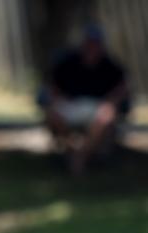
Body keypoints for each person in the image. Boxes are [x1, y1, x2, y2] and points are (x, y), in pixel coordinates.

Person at [39, 25, 130, 175]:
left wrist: (110, 102)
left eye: (96, 43)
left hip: (97, 107)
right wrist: (57, 100)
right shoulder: (68, 63)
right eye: (89, 43)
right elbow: (52, 86)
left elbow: (122, 89)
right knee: (52, 114)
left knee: (106, 117)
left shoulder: (111, 66)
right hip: (70, 105)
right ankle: (71, 151)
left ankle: (79, 158)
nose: (92, 47)